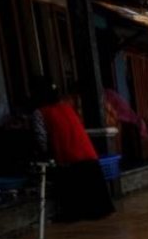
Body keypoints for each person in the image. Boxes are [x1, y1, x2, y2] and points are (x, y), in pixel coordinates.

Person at [31, 78, 114, 222]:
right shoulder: (67, 107)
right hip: (88, 154)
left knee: (75, 209)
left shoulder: (40, 113)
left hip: (69, 157)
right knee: (98, 210)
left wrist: (44, 155)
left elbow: (41, 137)